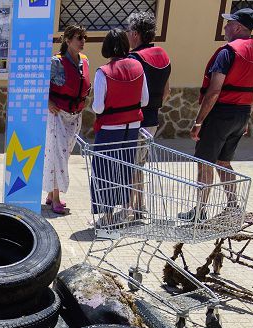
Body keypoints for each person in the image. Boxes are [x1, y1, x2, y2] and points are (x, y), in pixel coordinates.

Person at [182, 7, 253, 221]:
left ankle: (199, 211)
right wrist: (247, 118)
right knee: (223, 162)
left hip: (220, 114)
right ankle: (232, 206)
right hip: (241, 113)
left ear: (238, 27)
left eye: (229, 23)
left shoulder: (228, 52)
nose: (226, 27)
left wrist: (198, 122)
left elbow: (215, 90)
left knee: (206, 162)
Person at [89, 28, 149, 226]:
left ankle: (106, 216)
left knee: (104, 170)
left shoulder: (103, 72)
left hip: (109, 128)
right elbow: (145, 100)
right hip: (132, 126)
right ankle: (125, 211)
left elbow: (98, 107)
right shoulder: (139, 67)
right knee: (125, 168)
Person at [43, 24, 90, 215]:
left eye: (84, 38)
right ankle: (55, 198)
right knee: (57, 156)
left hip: (75, 116)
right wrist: (47, 102)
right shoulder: (57, 62)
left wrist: (85, 99)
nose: (82, 42)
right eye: (79, 38)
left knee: (64, 155)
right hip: (57, 115)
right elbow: (41, 84)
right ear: (68, 40)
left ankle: (49, 194)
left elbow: (85, 84)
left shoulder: (84, 60)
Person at [126, 10, 171, 138]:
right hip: (152, 120)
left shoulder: (133, 59)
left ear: (135, 34)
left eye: (128, 31)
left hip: (135, 122)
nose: (127, 35)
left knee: (127, 157)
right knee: (141, 157)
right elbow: (167, 91)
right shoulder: (163, 55)